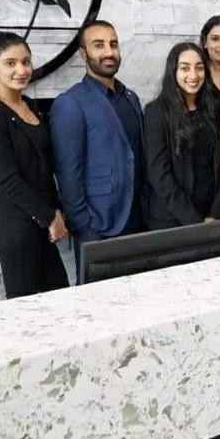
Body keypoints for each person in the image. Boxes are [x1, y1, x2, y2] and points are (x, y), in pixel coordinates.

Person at [50, 20, 147, 283]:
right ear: (83, 54)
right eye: (99, 45)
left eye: (113, 44)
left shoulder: (131, 98)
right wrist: (85, 226)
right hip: (99, 227)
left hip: (139, 222)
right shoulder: (70, 103)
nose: (109, 52)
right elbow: (68, 174)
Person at [0, 32, 69, 297]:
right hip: (13, 225)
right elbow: (8, 179)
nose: (22, 70)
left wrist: (57, 210)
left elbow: (43, 168)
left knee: (60, 300)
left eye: (26, 62)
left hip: (40, 219)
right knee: (24, 307)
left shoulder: (29, 106)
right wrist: (49, 217)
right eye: (10, 63)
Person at [143, 43, 220, 229]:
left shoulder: (217, 108)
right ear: (173, 71)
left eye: (199, 68)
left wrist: (215, 213)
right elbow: (159, 174)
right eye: (185, 68)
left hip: (214, 215)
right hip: (171, 219)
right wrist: (195, 222)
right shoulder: (156, 112)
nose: (193, 75)